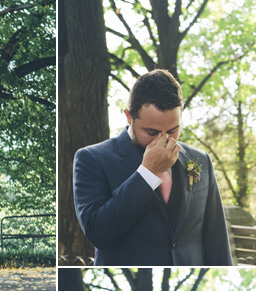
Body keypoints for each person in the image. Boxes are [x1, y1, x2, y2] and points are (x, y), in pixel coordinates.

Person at [73, 69, 232, 266]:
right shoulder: (92, 159)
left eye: (173, 130)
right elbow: (98, 232)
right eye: (151, 132)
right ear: (129, 117)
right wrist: (147, 173)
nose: (164, 139)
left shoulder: (201, 160)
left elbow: (217, 240)